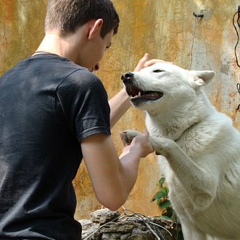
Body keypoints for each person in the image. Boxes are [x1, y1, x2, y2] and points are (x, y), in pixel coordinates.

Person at [0, 0, 157, 239]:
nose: (99, 64)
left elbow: (80, 123)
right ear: (94, 29)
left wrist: (130, 90)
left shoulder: (9, 83)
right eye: (106, 47)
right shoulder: (81, 83)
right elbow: (112, 194)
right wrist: (135, 150)